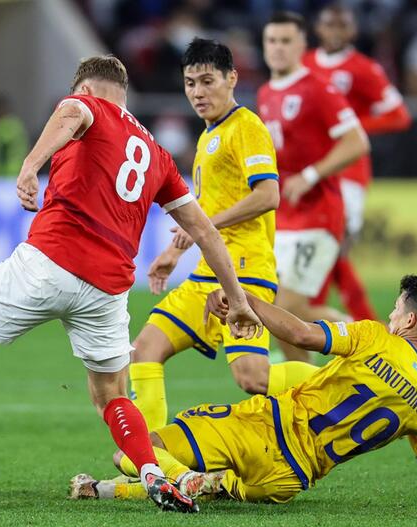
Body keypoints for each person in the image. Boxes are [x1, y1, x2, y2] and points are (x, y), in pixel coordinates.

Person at [0, 55, 262, 513]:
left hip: (51, 262)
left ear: (85, 89)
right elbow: (204, 230)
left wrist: (30, 166)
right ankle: (154, 475)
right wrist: (239, 301)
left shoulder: (88, 107)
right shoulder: (158, 156)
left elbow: (71, 114)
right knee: (112, 395)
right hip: (108, 289)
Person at [71, 275, 417, 506]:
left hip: (262, 429)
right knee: (220, 488)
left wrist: (243, 298)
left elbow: (303, 335)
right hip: (285, 482)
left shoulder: (376, 337)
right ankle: (106, 489)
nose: (391, 314)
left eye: (397, 308)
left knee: (132, 450)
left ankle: (183, 479)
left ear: (410, 322)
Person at [130, 37, 317, 435]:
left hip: (246, 272)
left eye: (207, 81)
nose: (198, 92)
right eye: (190, 82)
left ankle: (340, 384)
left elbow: (268, 195)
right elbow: (203, 212)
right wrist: (175, 250)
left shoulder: (246, 127)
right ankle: (147, 461)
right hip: (205, 275)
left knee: (252, 377)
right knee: (144, 350)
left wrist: (204, 228)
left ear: (232, 78)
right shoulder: (208, 135)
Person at [257, 11, 370, 363]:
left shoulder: (318, 88)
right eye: (272, 41)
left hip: (319, 214)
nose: (278, 48)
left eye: (286, 41)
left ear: (303, 45)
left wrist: (310, 175)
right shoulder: (265, 92)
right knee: (284, 315)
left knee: (288, 309)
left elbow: (356, 142)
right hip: (283, 217)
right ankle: (303, 387)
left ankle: (370, 342)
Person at [304, 4, 412, 322]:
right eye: (329, 25)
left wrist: (355, 127)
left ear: (352, 31)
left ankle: (310, 324)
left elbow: (399, 115)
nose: (335, 31)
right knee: (326, 250)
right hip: (313, 170)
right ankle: (365, 327)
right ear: (318, 29)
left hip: (349, 170)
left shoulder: (364, 68)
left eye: (342, 26)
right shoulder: (305, 64)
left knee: (331, 247)